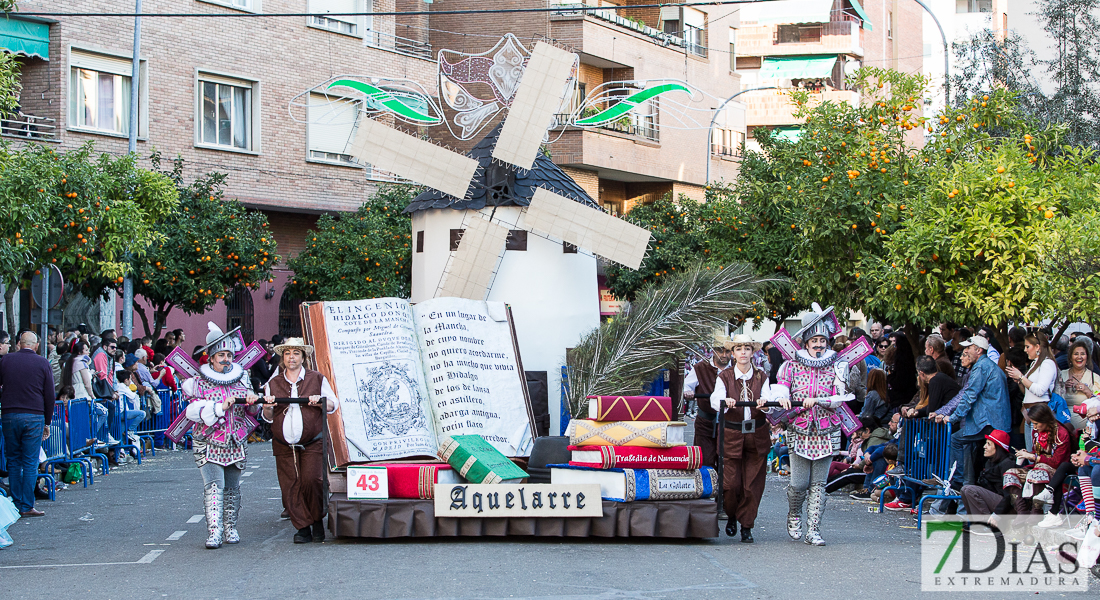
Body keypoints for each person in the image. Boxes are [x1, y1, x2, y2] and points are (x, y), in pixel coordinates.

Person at [771, 303, 855, 546]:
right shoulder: (790, 365)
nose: (819, 344)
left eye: (822, 340)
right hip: (799, 428)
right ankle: (794, 514)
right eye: (814, 340)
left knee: (819, 483)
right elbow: (781, 389)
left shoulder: (838, 365)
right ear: (805, 342)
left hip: (827, 430)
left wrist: (818, 400)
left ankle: (814, 530)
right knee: (798, 483)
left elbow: (840, 398)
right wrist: (783, 397)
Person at [182, 323, 260, 549]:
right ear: (211, 358)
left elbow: (251, 411)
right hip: (209, 441)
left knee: (233, 488)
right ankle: (214, 532)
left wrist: (254, 402)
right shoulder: (197, 383)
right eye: (221, 355)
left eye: (229, 355)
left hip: (236, 441)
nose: (226, 359)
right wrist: (218, 407)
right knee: (214, 486)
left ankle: (230, 527)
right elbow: (191, 411)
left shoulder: (242, 379)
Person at [261, 338, 338, 544]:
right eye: (287, 353)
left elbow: (332, 405)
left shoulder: (317, 379)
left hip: (313, 441)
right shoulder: (273, 383)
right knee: (290, 486)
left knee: (312, 480)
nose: (291, 357)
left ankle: (316, 521)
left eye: (296, 353)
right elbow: (268, 416)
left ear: (303, 357)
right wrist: (267, 406)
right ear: (282, 358)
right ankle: (302, 527)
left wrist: (320, 401)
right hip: (284, 444)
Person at [711, 334, 771, 543]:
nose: (743, 352)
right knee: (730, 485)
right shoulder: (724, 376)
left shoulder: (761, 376)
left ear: (753, 353)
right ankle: (732, 515)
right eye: (739, 349)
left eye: (747, 348)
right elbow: (714, 399)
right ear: (733, 353)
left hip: (757, 435)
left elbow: (769, 399)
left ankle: (747, 525)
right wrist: (724, 400)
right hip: (732, 435)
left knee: (752, 485)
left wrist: (766, 403)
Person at [931, 335, 1011, 487]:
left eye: (968, 348)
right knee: (964, 443)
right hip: (992, 420)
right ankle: (962, 482)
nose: (965, 351)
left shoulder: (981, 367)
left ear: (979, 350)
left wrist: (952, 417)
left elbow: (969, 395)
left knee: (956, 440)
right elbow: (965, 395)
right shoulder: (985, 365)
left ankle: (958, 482)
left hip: (990, 421)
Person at [0, 332, 56, 517]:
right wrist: (47, 422)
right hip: (34, 415)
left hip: (9, 414)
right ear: (36, 345)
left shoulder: (6, 361)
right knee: (31, 461)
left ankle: (16, 504)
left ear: (19, 344)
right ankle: (26, 505)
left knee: (13, 460)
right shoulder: (42, 363)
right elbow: (49, 395)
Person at [1003, 404, 1071, 517]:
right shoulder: (1036, 432)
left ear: (1045, 420)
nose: (1034, 427)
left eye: (1036, 423)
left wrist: (1033, 457)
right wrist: (1027, 454)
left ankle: (1036, 510)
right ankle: (1022, 510)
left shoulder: (1061, 434)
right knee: (1010, 474)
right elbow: (1037, 453)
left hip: (1056, 472)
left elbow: (1057, 462)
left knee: (1038, 471)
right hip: (1037, 469)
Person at [683, 331, 734, 470]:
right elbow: (686, 385)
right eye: (720, 351)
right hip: (706, 423)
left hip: (730, 424)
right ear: (713, 351)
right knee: (705, 462)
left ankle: (724, 492)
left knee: (728, 465)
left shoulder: (736, 369)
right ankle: (708, 491)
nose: (724, 355)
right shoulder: (700, 368)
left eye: (727, 351)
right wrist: (688, 391)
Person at [1006, 332, 1058, 451]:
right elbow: (1027, 392)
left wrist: (1021, 377)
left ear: (1038, 347)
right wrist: (1019, 381)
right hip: (1030, 411)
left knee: (1039, 452)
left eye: (1027, 346)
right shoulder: (1036, 363)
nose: (1025, 350)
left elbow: (1040, 391)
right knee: (1031, 451)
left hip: (1040, 413)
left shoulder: (1047, 363)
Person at [959, 429, 1016, 519]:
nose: (984, 447)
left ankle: (986, 525)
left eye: (988, 444)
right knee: (964, 490)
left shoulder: (1007, 463)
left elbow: (1009, 494)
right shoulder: (989, 462)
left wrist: (996, 515)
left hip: (1006, 506)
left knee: (969, 489)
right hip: (995, 500)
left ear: (997, 447)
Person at [1059, 339, 1100, 431]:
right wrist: (1062, 386)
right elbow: (1054, 397)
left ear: (1087, 357)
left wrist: (1088, 391)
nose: (1079, 357)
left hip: (1086, 428)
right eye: (1076, 354)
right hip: (1062, 426)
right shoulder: (1061, 375)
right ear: (1070, 357)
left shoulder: (1094, 377)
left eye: (1082, 354)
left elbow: (1098, 402)